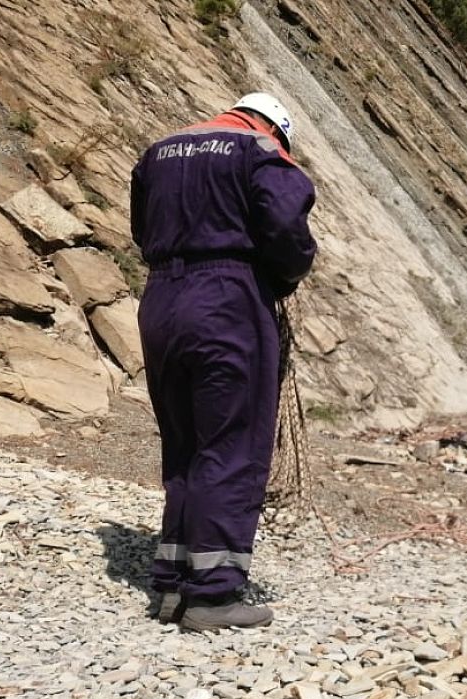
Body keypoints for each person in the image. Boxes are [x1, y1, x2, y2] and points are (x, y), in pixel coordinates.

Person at [131, 92, 317, 631]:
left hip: (161, 299)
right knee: (231, 443)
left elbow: (142, 231)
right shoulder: (259, 150)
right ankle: (213, 595)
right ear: (277, 128)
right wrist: (282, 279)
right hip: (226, 299)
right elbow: (285, 226)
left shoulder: (159, 151)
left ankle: (172, 586)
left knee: (185, 444)